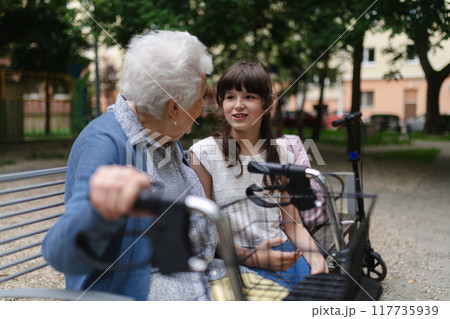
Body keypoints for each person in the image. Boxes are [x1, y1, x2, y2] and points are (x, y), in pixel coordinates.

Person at [42, 30, 216, 301]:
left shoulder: (165, 134)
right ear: (173, 108)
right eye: (200, 100)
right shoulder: (104, 141)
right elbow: (64, 256)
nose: (202, 110)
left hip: (196, 279)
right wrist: (98, 212)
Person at [189, 61, 328, 289]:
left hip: (281, 253)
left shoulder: (283, 156)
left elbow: (292, 222)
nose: (238, 106)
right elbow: (207, 231)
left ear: (267, 103)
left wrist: (316, 257)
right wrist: (255, 257)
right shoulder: (203, 154)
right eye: (230, 97)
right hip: (232, 262)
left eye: (249, 97)